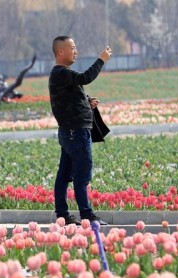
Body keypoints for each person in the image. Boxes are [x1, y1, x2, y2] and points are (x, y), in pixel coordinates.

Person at [49, 36, 112, 226]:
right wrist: (101, 59)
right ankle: (87, 215)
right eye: (73, 48)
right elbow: (85, 77)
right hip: (75, 132)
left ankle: (63, 215)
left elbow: (71, 98)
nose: (76, 51)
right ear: (61, 51)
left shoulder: (62, 75)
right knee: (81, 174)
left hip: (70, 132)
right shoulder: (61, 73)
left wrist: (87, 102)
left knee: (64, 175)